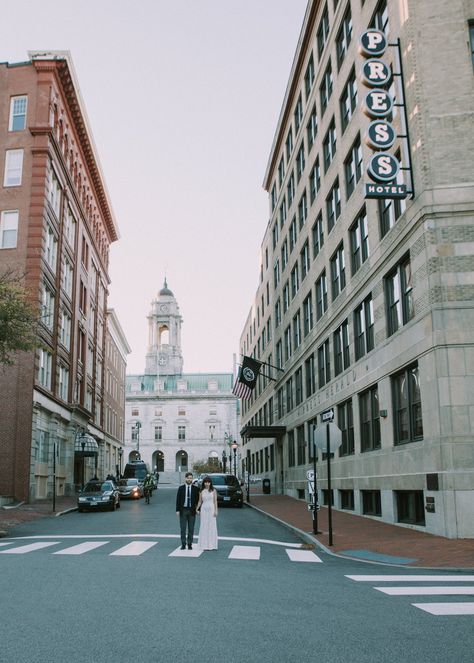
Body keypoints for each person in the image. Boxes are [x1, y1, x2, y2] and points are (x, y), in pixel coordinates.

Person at [176, 472, 200, 549]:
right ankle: (183, 544)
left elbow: (198, 501)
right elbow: (178, 500)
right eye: (188, 478)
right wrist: (177, 510)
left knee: (191, 528)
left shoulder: (196, 489)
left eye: (191, 478)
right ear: (185, 478)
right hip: (183, 510)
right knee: (183, 528)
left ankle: (190, 544)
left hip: (192, 511)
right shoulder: (181, 488)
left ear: (192, 479)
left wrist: (198, 509)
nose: (189, 479)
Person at [196, 476, 218, 551]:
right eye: (205, 482)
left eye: (208, 482)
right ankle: (204, 544)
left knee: (212, 526)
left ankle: (212, 544)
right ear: (204, 483)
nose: (207, 484)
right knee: (204, 525)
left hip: (211, 509)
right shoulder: (201, 491)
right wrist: (197, 509)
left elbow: (215, 501)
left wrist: (216, 510)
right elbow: (200, 501)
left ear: (210, 483)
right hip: (204, 509)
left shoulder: (214, 490)